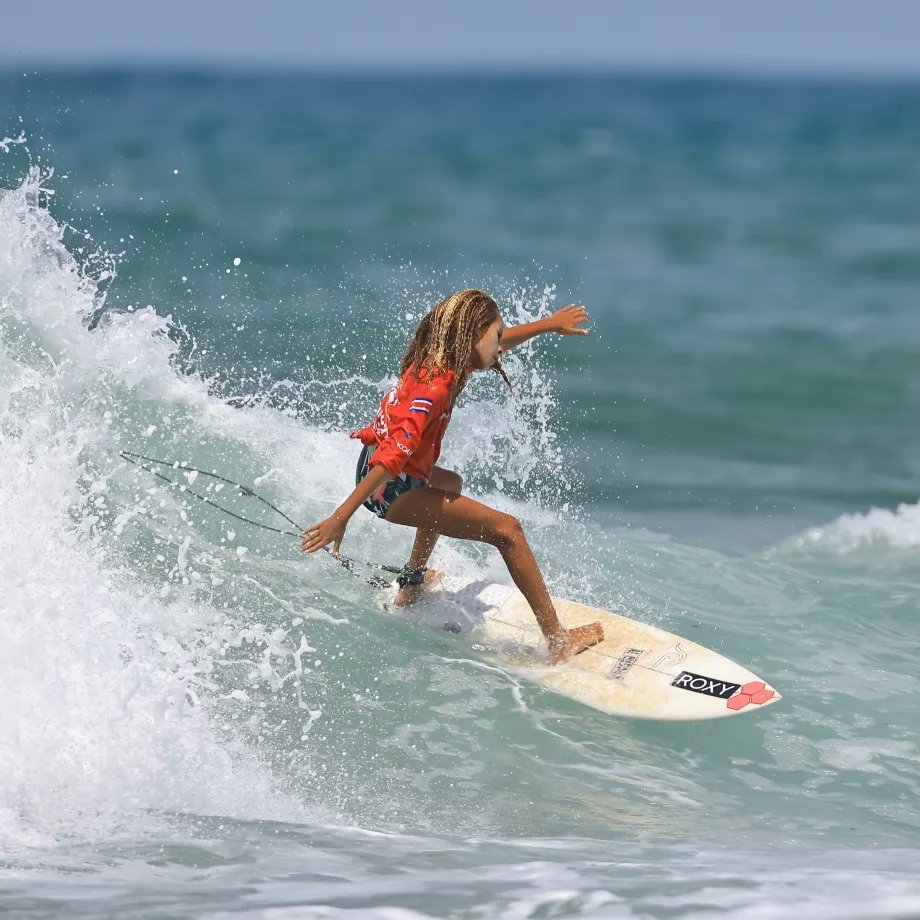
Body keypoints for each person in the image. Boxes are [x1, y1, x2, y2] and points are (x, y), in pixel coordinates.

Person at [300, 289, 604, 664]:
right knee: (508, 530)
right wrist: (340, 517)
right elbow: (396, 454)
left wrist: (549, 325)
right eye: (495, 337)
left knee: (450, 485)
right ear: (475, 335)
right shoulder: (435, 387)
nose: (500, 348)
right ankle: (558, 641)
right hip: (390, 486)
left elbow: (497, 341)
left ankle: (411, 584)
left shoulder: (441, 359)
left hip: (379, 469)